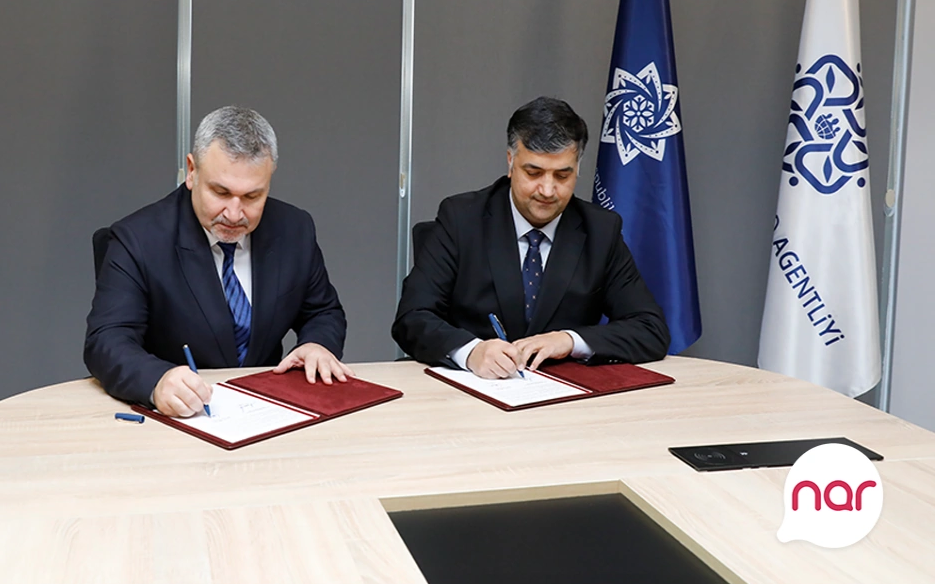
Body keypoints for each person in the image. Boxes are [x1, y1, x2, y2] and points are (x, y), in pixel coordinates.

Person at [85, 106, 353, 416]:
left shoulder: (294, 229)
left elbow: (323, 311)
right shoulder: (138, 239)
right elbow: (107, 339)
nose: (234, 214)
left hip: (266, 410)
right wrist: (156, 381)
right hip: (182, 415)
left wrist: (317, 344)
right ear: (192, 171)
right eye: (221, 192)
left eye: (252, 196)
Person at [392, 97, 669, 378]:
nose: (547, 190)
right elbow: (411, 318)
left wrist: (569, 340)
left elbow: (651, 329)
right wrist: (471, 351)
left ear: (578, 168)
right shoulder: (461, 219)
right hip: (474, 389)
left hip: (563, 393)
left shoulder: (600, 230)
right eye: (534, 173)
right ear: (511, 162)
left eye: (562, 176)